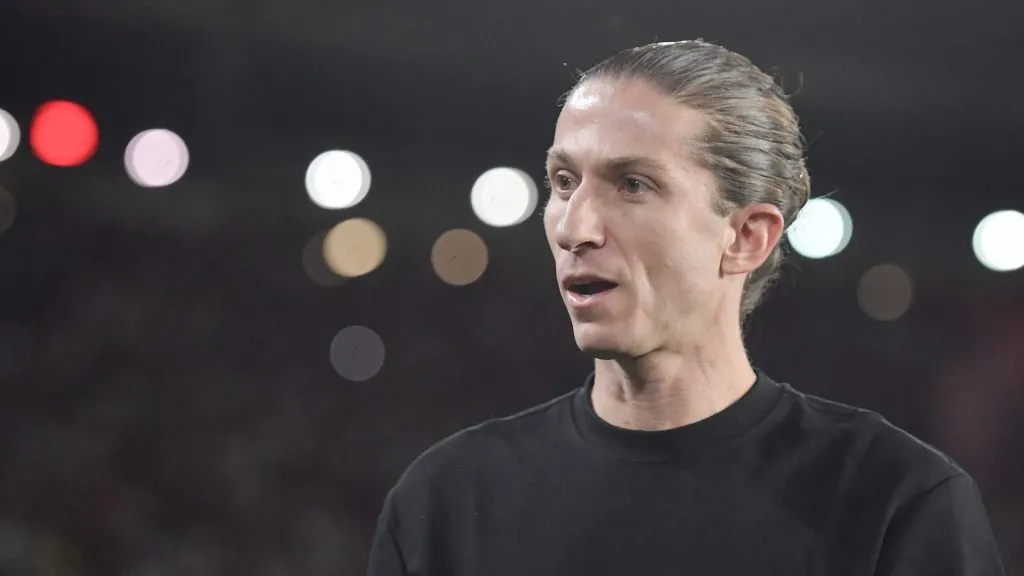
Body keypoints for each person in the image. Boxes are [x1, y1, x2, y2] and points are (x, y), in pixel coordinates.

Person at [367, 40, 1006, 575]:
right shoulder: (446, 501)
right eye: (564, 182)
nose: (574, 227)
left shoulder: (897, 504)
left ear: (746, 237)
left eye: (633, 185)